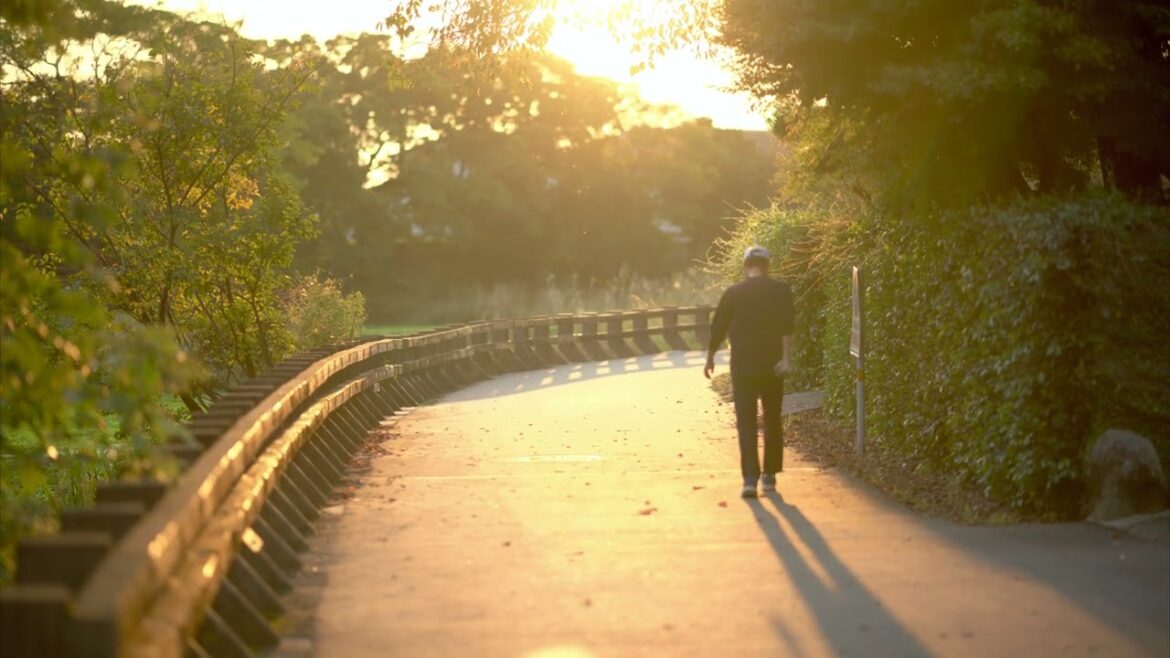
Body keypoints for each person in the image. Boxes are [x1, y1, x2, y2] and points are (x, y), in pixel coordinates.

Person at [704, 245, 795, 498]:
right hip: (773, 367)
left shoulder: (734, 293)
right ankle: (770, 476)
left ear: (745, 266)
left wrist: (710, 357)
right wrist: (787, 359)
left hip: (743, 368)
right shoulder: (781, 291)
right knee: (772, 419)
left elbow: (718, 327)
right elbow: (788, 326)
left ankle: (749, 480)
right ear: (767, 267)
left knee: (746, 423)